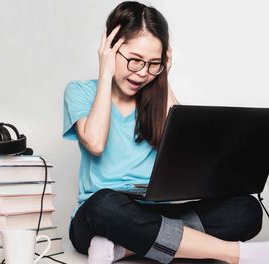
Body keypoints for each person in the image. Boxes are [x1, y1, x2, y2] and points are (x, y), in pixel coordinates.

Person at [63, 1, 268, 264]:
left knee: (246, 209)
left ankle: (124, 248)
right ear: (110, 48)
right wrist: (106, 72)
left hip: (159, 215)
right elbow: (95, 143)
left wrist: (164, 80)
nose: (142, 73)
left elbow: (188, 156)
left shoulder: (156, 97)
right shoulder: (80, 91)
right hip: (101, 216)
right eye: (134, 61)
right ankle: (236, 254)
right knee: (104, 204)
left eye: (153, 64)